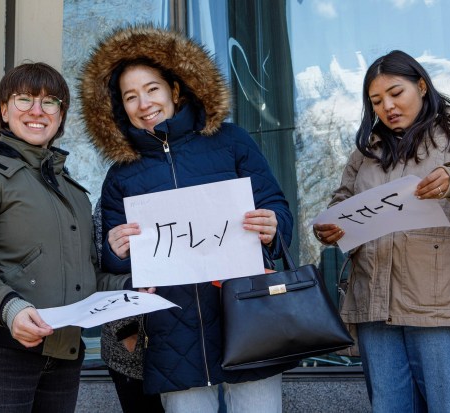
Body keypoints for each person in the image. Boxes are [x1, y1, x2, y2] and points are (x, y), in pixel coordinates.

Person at [79, 25, 295, 413]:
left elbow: (276, 206)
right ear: (120, 107)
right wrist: (116, 250)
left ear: (174, 90)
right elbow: (116, 266)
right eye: (131, 96)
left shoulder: (230, 141)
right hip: (172, 336)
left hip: (247, 319)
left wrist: (273, 224)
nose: (144, 103)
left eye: (152, 89)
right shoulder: (121, 176)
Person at [0, 62, 130, 413]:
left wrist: (130, 288)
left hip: (65, 359)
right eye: (24, 99)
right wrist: (11, 310)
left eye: (50, 102)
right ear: (4, 109)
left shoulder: (73, 193)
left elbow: (85, 279)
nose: (37, 111)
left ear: (61, 115)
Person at [313, 50, 450, 412]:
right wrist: (330, 227)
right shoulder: (367, 151)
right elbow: (342, 199)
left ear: (421, 86)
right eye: (376, 101)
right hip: (375, 306)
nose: (387, 106)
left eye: (396, 93)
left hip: (444, 307)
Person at [93, 198, 164, 413]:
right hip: (132, 353)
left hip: (199, 345)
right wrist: (126, 331)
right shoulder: (119, 187)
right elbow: (94, 268)